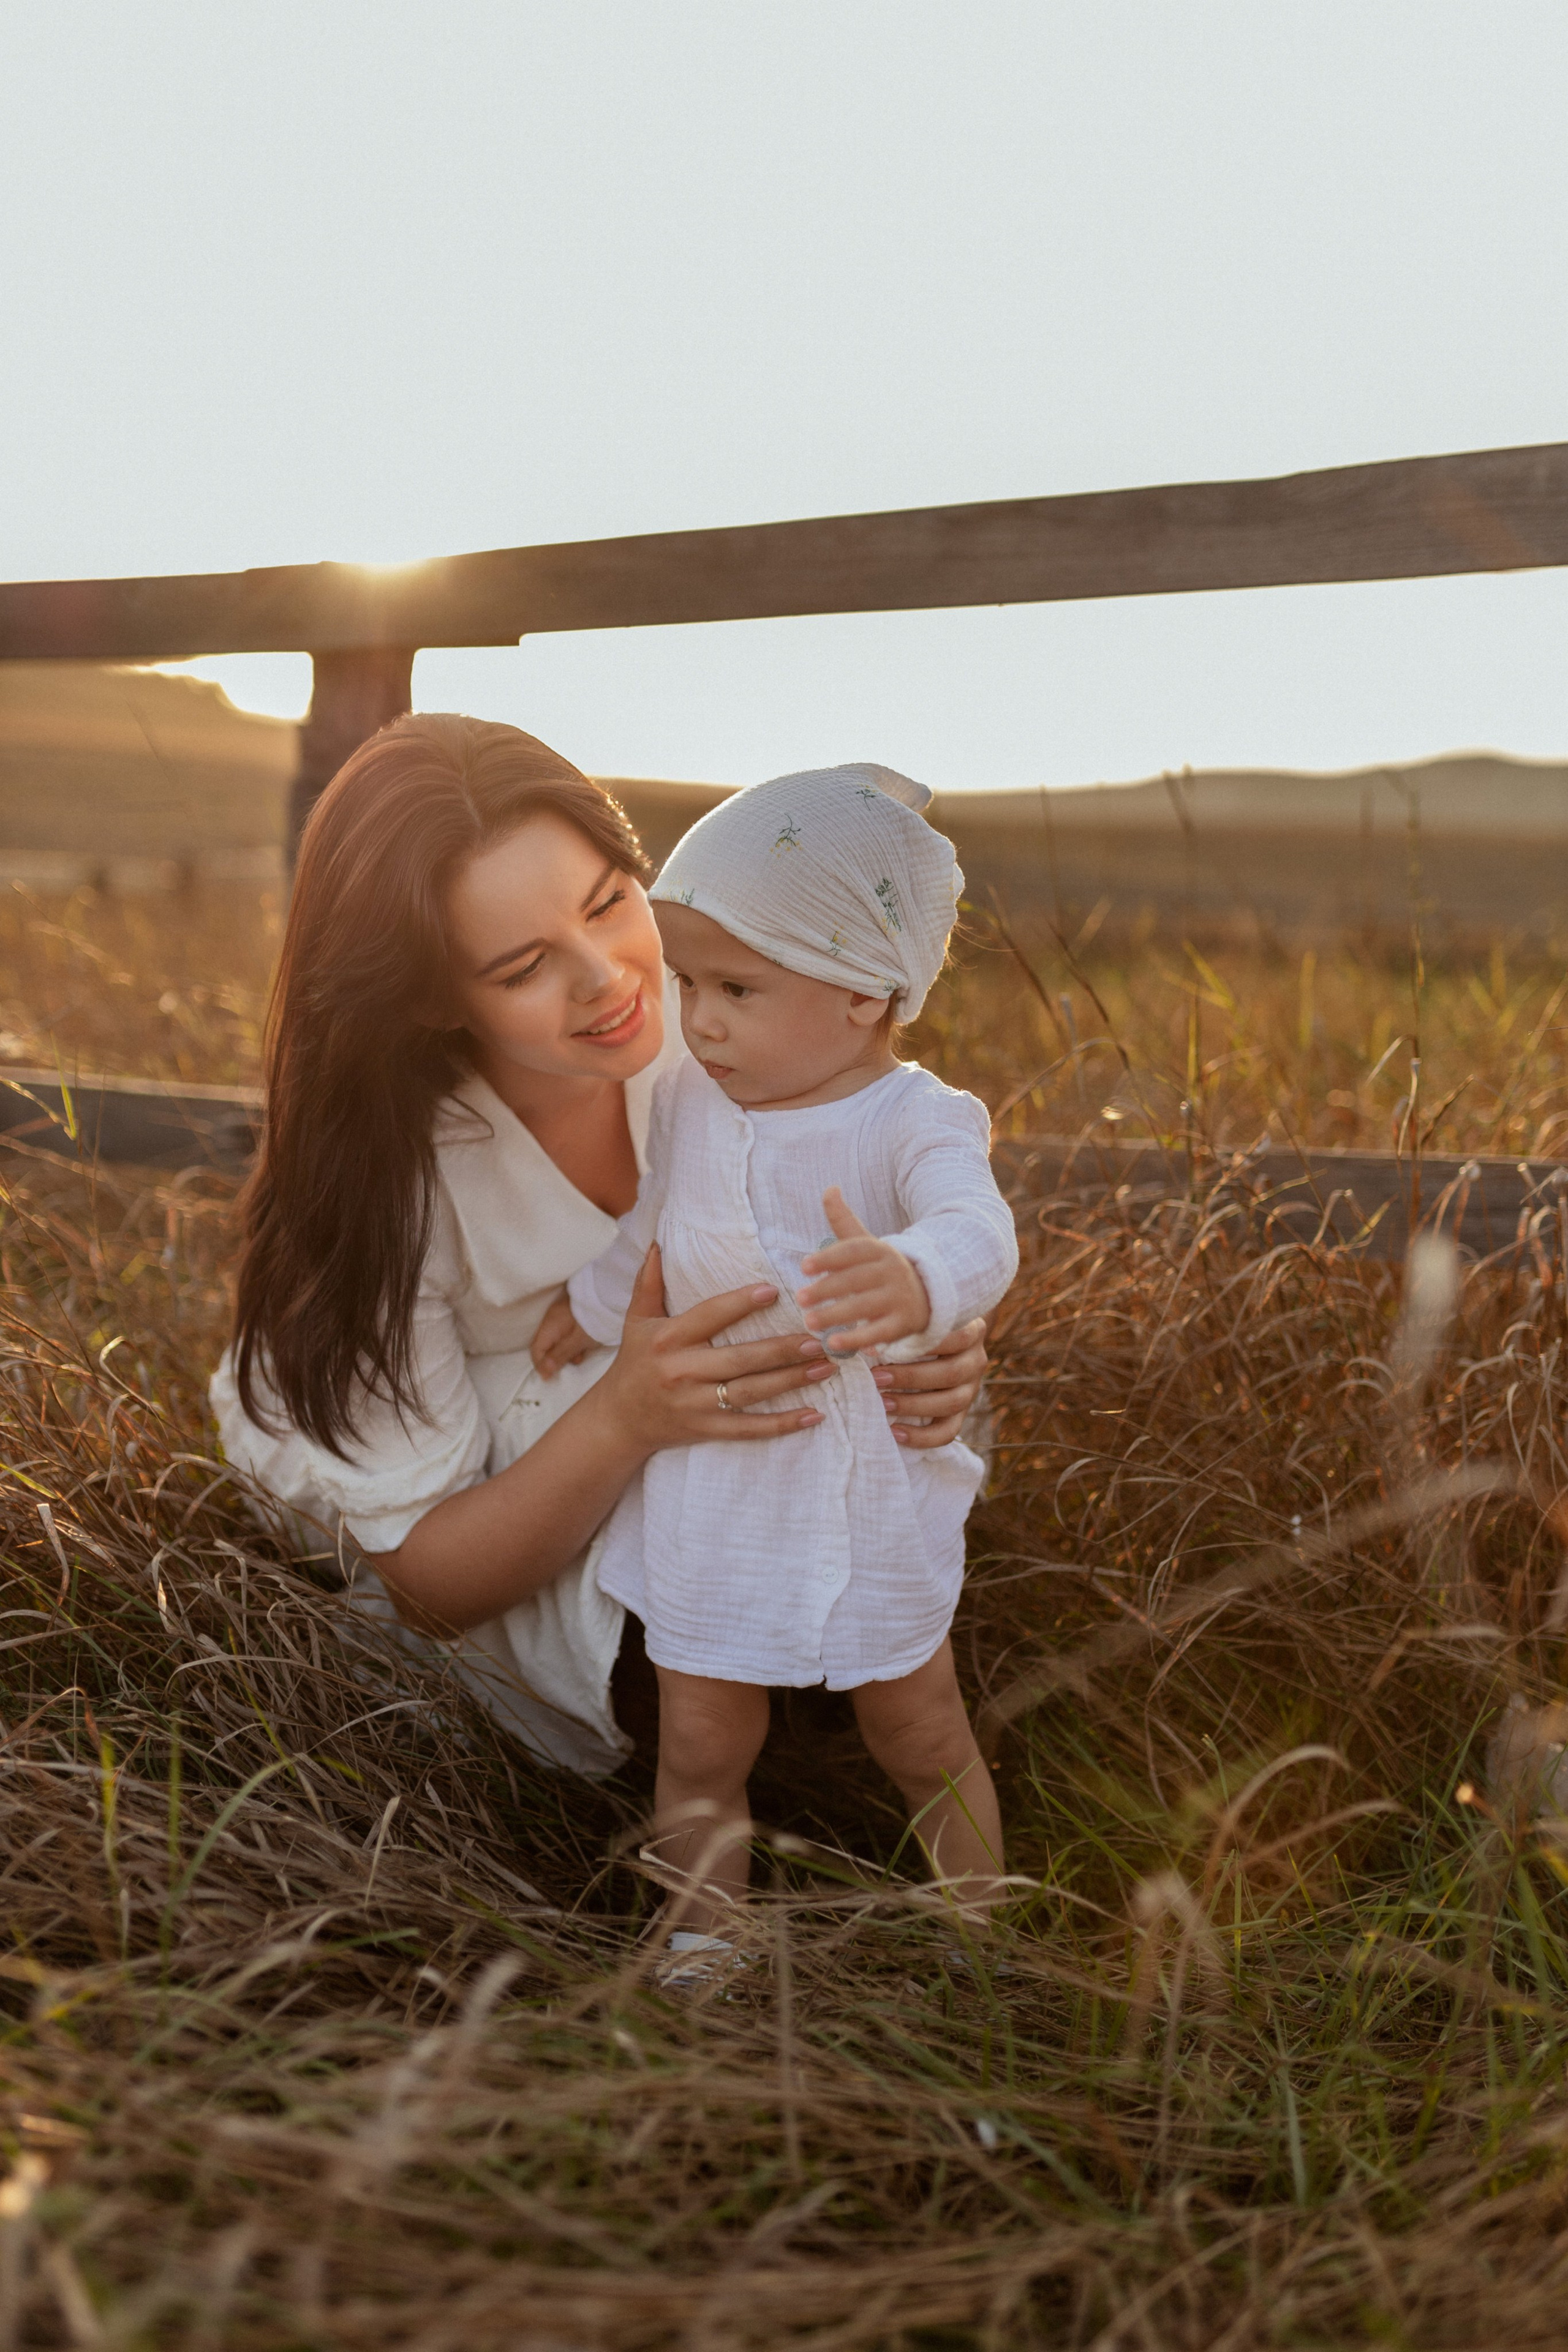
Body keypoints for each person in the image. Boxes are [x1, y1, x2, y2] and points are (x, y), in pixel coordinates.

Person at [211, 716, 990, 1778]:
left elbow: (876, 1193)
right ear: (434, 994)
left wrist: (939, 1340)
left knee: (829, 1481)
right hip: (437, 1470)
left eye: (608, 903)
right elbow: (429, 1584)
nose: (612, 982)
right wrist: (629, 1414)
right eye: (527, 965)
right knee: (679, 1572)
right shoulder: (380, 1196)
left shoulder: (712, 1014)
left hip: (630, 1393)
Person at [537, 765, 1017, 1964]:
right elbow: (654, 1226)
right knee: (700, 1737)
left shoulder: (913, 1119)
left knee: (915, 1724)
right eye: (689, 981)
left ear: (864, 989)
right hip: (719, 1479)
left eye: (736, 988)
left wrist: (917, 1275)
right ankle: (704, 1943)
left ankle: (982, 1928)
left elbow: (976, 1231)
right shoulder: (697, 1099)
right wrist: (589, 1310)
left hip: (865, 1483)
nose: (697, 1019)